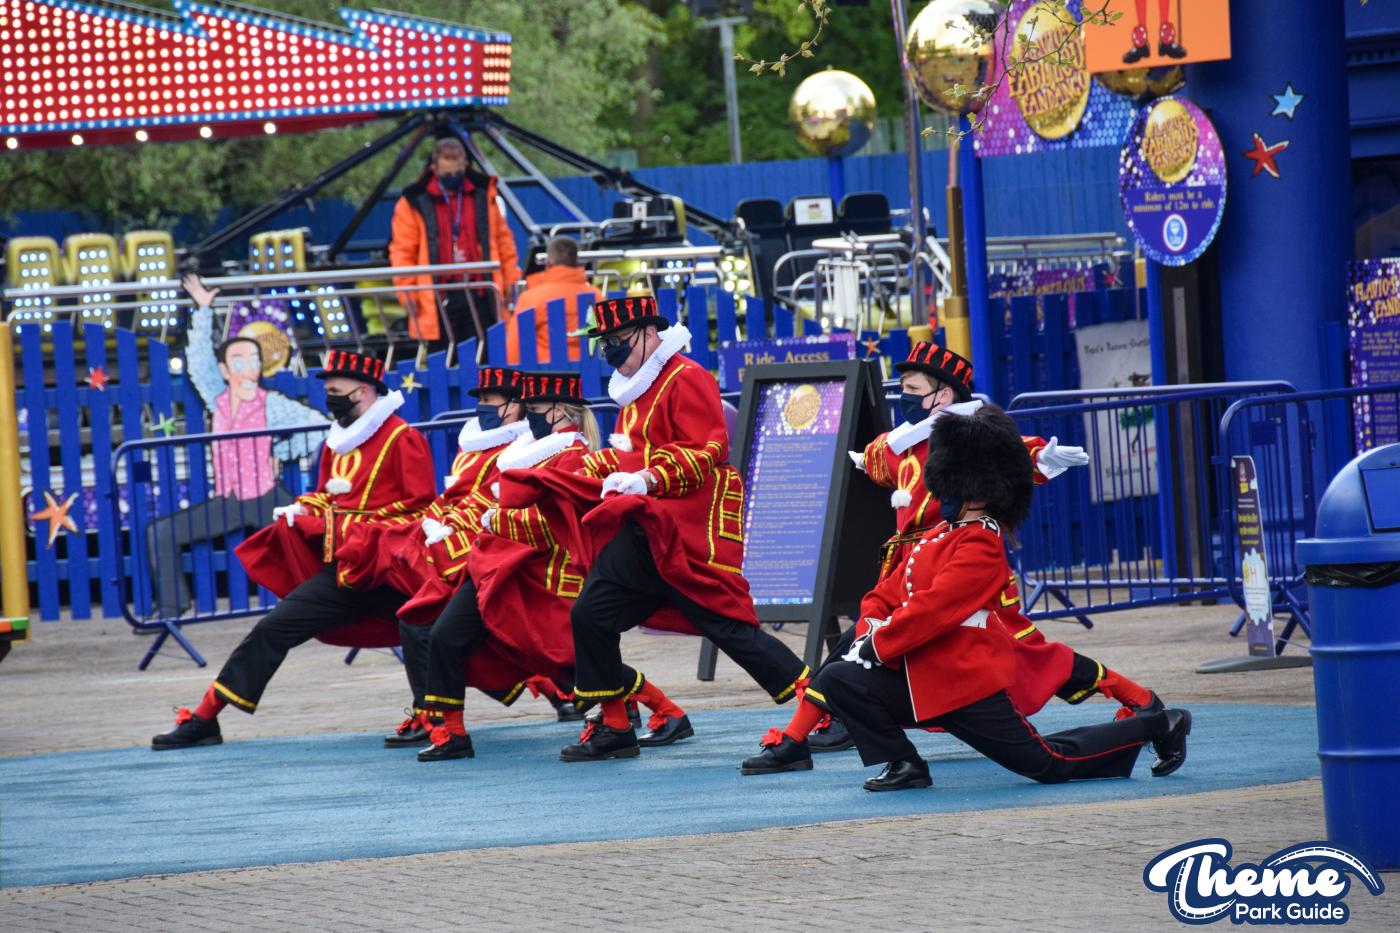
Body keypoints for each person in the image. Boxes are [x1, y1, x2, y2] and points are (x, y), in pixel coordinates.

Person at [744, 341, 1167, 766]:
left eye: (912, 387)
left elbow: (1008, 454)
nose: (903, 397)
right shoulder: (911, 442)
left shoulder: (967, 440)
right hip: (916, 564)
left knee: (1032, 658)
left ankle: (1138, 698)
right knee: (860, 644)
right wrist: (862, 457)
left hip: (962, 564)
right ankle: (804, 733)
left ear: (943, 395)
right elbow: (882, 457)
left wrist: (1041, 457)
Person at [510, 296, 811, 762]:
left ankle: (823, 709)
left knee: (728, 627)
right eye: (604, 342)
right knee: (590, 615)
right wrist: (605, 470)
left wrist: (649, 476)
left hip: (687, 525)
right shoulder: (635, 390)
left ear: (650, 333)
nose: (610, 349)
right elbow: (635, 454)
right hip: (646, 525)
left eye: (617, 340)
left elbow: (709, 447)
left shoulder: (686, 377)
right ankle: (614, 724)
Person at [151, 350, 436, 750]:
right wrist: (303, 508)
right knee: (272, 628)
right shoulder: (336, 442)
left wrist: (338, 524)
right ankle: (205, 717)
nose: (331, 399)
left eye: (337, 392)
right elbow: (324, 495)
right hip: (346, 572)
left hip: (393, 572)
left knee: (448, 631)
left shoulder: (403, 438)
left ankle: (529, 698)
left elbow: (420, 507)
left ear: (366, 391)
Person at [415, 370, 689, 761]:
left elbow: (554, 524)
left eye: (536, 409)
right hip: (494, 563)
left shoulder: (575, 458)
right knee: (444, 635)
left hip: (540, 573)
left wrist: (498, 520)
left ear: (561, 411)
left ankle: (664, 709)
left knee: (564, 660)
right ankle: (452, 732)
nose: (530, 417)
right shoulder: (527, 452)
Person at [333, 365, 532, 747]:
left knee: (430, 621)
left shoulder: (516, 448)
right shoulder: (476, 445)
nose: (483, 408)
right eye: (482, 400)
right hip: (458, 540)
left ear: (515, 405)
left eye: (490, 400)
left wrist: (444, 526)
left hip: (493, 550)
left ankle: (605, 696)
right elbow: (456, 497)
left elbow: (485, 500)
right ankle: (439, 718)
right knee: (427, 621)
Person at [143, 274, 325, 620]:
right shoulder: (218, 398)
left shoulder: (272, 403)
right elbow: (198, 363)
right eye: (240, 361)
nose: (249, 368)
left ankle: (326, 603)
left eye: (255, 360)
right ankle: (172, 604)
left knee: (313, 535)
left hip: (267, 497)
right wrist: (203, 309)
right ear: (225, 370)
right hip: (229, 500)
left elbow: (321, 429)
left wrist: (281, 453)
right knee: (161, 531)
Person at [389, 136, 521, 351]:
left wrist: (509, 282)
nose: (452, 178)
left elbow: (504, 242)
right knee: (443, 361)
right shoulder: (413, 202)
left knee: (485, 358)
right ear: (434, 169)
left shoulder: (482, 194)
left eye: (457, 173)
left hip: (480, 292)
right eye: (446, 174)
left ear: (465, 166)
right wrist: (407, 293)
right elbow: (403, 251)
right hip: (437, 295)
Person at [506, 236, 602, 365]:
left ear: (548, 263)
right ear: (577, 263)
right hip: (593, 377)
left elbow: (514, 348)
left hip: (546, 379)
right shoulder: (598, 297)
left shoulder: (531, 299)